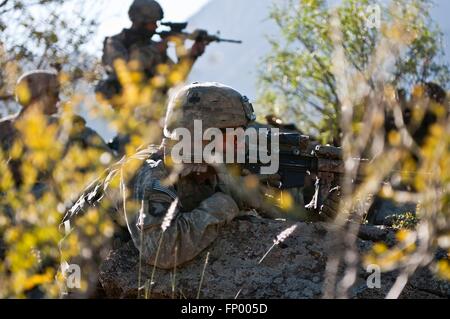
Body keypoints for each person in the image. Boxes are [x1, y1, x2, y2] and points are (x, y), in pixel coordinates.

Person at [65, 82, 341, 271]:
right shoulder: (150, 173)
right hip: (88, 275)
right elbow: (161, 249)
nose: (241, 142)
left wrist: (312, 219)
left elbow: (264, 218)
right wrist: (226, 203)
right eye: (232, 134)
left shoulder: (209, 166)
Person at [96, 0, 208, 101]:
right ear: (140, 22)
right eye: (152, 22)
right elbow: (125, 71)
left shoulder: (154, 46)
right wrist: (155, 50)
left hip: (153, 111)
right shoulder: (115, 42)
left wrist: (192, 56)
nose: (156, 27)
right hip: (127, 109)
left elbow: (175, 80)